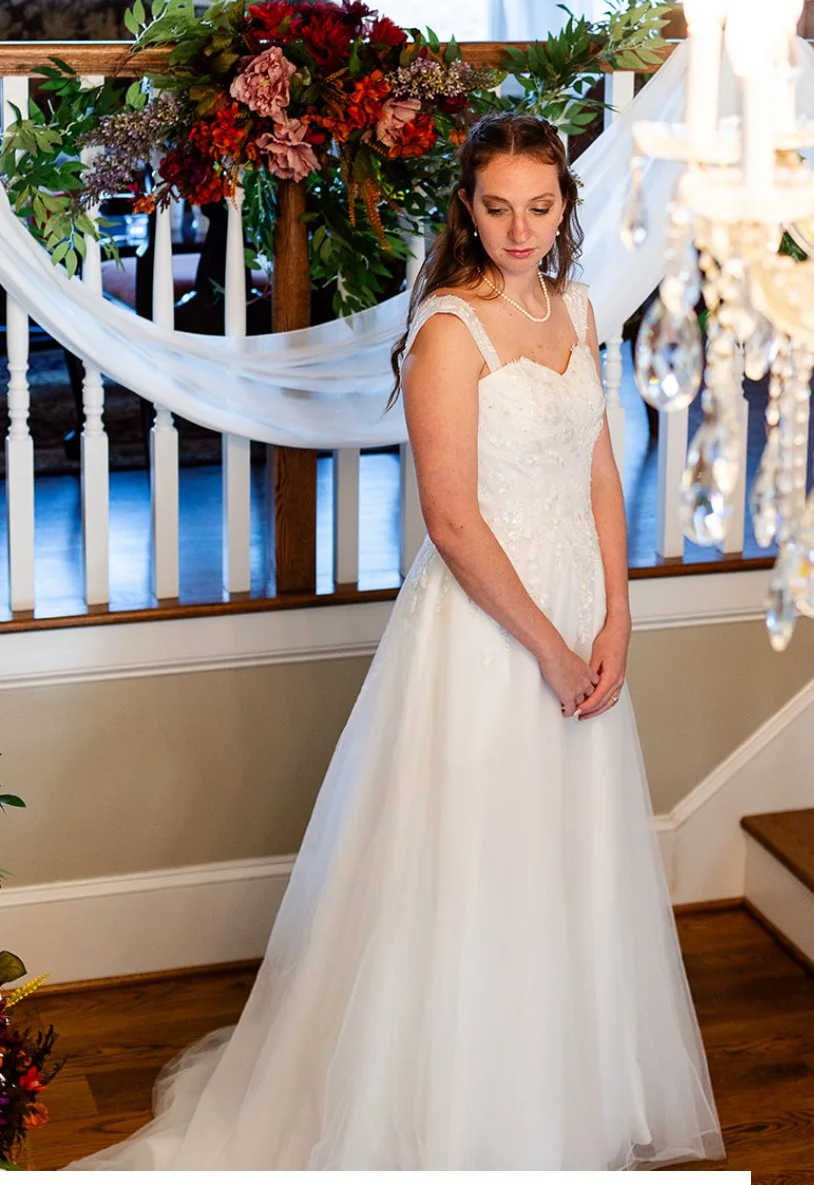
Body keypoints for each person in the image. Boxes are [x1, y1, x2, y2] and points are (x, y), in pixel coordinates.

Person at [73, 113, 723, 1171]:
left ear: (566, 208)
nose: (521, 229)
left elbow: (601, 468)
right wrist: (551, 653)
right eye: (500, 205)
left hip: (576, 610)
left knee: (565, 863)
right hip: (485, 640)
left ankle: (554, 1093)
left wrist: (617, 611)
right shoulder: (446, 332)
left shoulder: (579, 307)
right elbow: (455, 522)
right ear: (469, 207)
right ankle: (458, 1118)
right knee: (475, 869)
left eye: (542, 207)